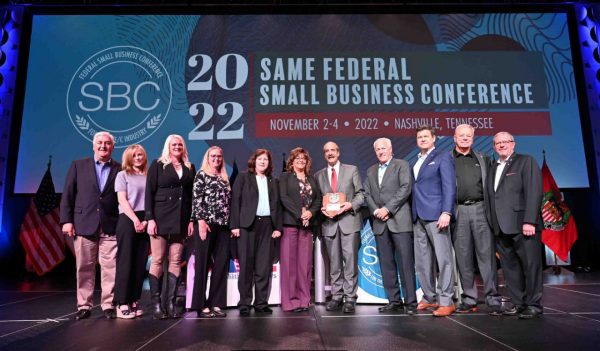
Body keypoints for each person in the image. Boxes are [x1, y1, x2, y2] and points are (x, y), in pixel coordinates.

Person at [60, 131, 121, 320]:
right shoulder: (79, 165)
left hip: (110, 226)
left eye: (107, 143)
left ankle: (108, 304)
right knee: (84, 267)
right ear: (93, 146)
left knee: (110, 267)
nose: (103, 146)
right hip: (83, 223)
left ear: (112, 147)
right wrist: (66, 220)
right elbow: (68, 194)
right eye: (100, 143)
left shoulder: (120, 168)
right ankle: (84, 305)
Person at [486, 131, 543, 319]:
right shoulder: (493, 167)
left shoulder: (526, 161)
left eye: (505, 142)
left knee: (530, 265)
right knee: (510, 269)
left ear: (513, 144)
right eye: (497, 143)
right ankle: (518, 304)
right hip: (500, 228)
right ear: (494, 146)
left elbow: (534, 192)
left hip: (523, 225)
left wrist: (530, 220)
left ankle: (534, 304)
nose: (501, 145)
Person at [451, 124, 503, 315]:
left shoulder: (484, 159)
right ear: (454, 138)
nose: (465, 138)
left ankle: (492, 298)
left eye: (469, 136)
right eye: (461, 136)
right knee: (464, 258)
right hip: (459, 211)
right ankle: (469, 298)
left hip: (481, 209)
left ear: (473, 138)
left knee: (486, 256)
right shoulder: (447, 159)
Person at [364, 138, 417, 315]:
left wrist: (387, 209)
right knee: (386, 264)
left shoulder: (402, 165)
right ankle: (394, 301)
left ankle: (410, 302)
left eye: (383, 148)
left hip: (399, 221)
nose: (380, 151)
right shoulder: (371, 170)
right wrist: (376, 210)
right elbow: (367, 193)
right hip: (380, 223)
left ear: (391, 148)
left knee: (405, 263)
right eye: (377, 149)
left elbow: (405, 188)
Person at [145, 134, 196, 319]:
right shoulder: (158, 165)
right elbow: (149, 193)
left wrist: (191, 219)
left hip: (181, 219)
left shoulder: (190, 167)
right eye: (174, 144)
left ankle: (171, 303)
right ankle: (156, 305)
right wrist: (150, 218)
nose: (177, 147)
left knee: (175, 261)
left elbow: (191, 197)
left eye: (180, 144)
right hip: (160, 218)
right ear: (168, 146)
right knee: (158, 260)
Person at [411, 125, 457, 317]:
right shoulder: (416, 160)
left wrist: (446, 211)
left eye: (425, 136)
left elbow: (449, 186)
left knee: (443, 259)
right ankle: (429, 297)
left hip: (437, 214)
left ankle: (446, 300)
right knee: (422, 261)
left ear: (433, 138)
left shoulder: (442, 156)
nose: (422, 139)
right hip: (418, 215)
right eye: (419, 137)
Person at [230, 149, 282, 316]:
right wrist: (235, 225)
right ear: (254, 161)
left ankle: (261, 303)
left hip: (267, 225)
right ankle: (244, 303)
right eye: (260, 159)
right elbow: (235, 202)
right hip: (247, 227)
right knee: (246, 266)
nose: (262, 162)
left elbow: (277, 206)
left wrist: (277, 228)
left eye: (265, 160)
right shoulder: (243, 178)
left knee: (264, 267)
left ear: (269, 163)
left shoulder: (273, 181)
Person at [314, 141, 364, 314]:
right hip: (329, 224)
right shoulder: (318, 175)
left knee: (350, 262)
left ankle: (350, 297)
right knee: (334, 263)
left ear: (339, 152)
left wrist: (350, 205)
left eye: (333, 150)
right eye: (326, 151)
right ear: (324, 154)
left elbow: (360, 194)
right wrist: (320, 209)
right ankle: (336, 295)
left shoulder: (352, 170)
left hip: (349, 221)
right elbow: (318, 199)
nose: (330, 153)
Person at [190, 146, 232, 318]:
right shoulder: (201, 175)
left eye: (219, 156)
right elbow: (196, 199)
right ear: (207, 157)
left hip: (223, 226)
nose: (216, 158)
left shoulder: (224, 177)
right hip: (206, 225)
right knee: (202, 264)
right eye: (213, 156)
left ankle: (216, 303)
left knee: (221, 265)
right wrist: (200, 221)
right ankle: (201, 304)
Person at [279, 147, 322, 312]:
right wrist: (300, 214)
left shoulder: (312, 179)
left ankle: (304, 300)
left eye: (303, 159)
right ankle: (291, 301)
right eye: (297, 159)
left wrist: (310, 213)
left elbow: (318, 199)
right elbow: (284, 198)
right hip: (291, 224)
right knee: (290, 265)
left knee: (305, 265)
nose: (300, 161)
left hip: (307, 226)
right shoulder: (285, 177)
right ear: (292, 161)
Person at [113, 144, 150, 319]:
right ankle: (121, 302)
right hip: (128, 218)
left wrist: (146, 220)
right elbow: (122, 200)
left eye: (140, 154)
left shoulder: (149, 176)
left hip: (145, 219)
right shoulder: (122, 175)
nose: (138, 157)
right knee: (125, 261)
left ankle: (134, 300)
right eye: (134, 155)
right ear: (129, 157)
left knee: (140, 261)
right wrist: (136, 220)